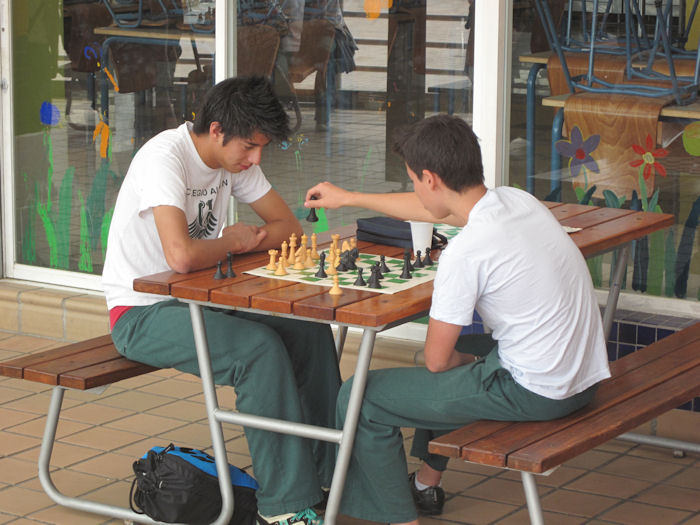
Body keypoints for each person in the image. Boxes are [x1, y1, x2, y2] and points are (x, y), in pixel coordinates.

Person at [303, 114, 610, 525]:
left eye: (413, 180)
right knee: (456, 357)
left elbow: (436, 362)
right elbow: (433, 209)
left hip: (540, 392)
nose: (414, 189)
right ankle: (425, 485)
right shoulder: (517, 201)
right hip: (583, 377)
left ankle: (399, 519)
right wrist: (349, 197)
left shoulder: (465, 252)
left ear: (430, 179)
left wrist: (470, 363)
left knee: (362, 395)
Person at [102, 76, 339, 525]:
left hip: (198, 299)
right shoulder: (164, 158)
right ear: (216, 130)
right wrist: (231, 242)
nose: (255, 159)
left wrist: (237, 242)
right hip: (140, 312)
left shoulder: (236, 161)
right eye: (250, 147)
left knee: (307, 331)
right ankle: (285, 507)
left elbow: (288, 228)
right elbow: (180, 255)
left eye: (261, 148)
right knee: (258, 351)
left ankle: (330, 477)